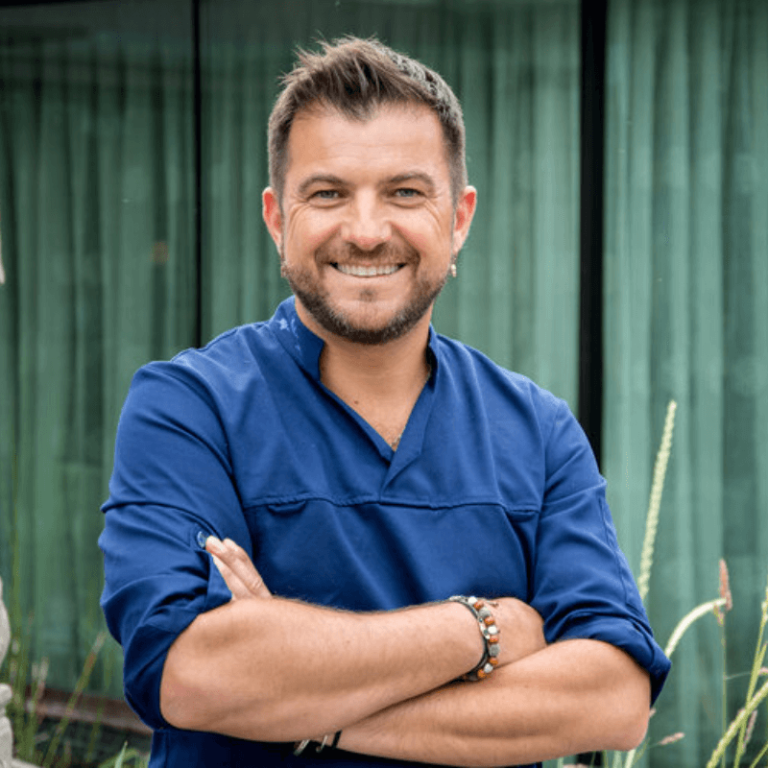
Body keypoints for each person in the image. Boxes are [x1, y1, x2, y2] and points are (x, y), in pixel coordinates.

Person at [99, 36, 670, 768]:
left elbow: (612, 699)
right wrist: (481, 629)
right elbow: (192, 674)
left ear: (458, 217)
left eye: (405, 192)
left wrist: (304, 708)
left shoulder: (537, 431)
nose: (366, 232)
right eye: (328, 193)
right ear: (278, 219)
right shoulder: (189, 409)